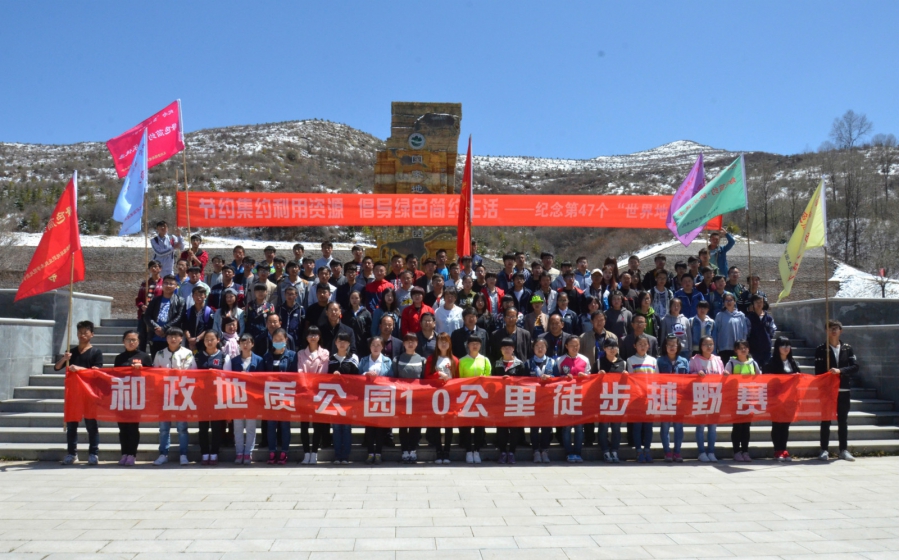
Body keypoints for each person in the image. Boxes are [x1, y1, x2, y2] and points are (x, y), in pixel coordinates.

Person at [57, 321, 104, 465]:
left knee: (91, 424)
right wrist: (64, 358)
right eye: (80, 332)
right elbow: (57, 367)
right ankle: (72, 453)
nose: (82, 335)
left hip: (89, 392)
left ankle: (93, 453)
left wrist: (79, 369)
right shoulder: (71, 351)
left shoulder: (96, 352)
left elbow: (97, 372)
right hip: (73, 392)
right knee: (72, 425)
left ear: (92, 334)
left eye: (85, 332)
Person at [152, 327, 197, 466]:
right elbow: (154, 373)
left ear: (181, 339)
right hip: (164, 395)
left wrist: (179, 373)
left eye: (176, 336)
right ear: (166, 338)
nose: (173, 339)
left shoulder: (187, 353)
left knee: (182, 427)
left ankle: (183, 454)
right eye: (170, 336)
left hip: (182, 394)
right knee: (164, 428)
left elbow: (193, 372)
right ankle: (163, 453)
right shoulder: (160, 354)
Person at [816, 320, 859, 462]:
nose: (833, 331)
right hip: (827, 390)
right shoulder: (821, 349)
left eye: (836, 328)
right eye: (830, 328)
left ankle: (843, 450)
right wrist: (827, 375)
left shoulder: (847, 348)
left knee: (842, 420)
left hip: (843, 389)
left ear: (841, 330)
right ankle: (824, 449)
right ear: (826, 331)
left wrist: (840, 371)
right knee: (826, 420)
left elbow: (855, 367)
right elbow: (818, 372)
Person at [111, 330, 152, 466]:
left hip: (136, 396)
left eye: (134, 340)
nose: (131, 342)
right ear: (123, 341)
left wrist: (142, 369)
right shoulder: (119, 358)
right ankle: (124, 453)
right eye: (128, 339)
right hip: (122, 395)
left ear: (139, 342)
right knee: (122, 427)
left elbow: (152, 376)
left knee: (133, 427)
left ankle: (132, 454)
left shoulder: (144, 357)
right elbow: (114, 376)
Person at [261, 328, 296, 465]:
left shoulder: (292, 356)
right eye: (275, 339)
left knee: (285, 425)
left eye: (281, 340)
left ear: (286, 340)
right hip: (271, 395)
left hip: (286, 395)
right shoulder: (267, 356)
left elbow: (294, 375)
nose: (278, 342)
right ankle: (272, 451)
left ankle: (284, 452)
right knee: (271, 425)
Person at [195, 330, 230, 466]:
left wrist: (215, 374)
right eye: (206, 339)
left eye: (212, 339)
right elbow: (191, 375)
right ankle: (204, 453)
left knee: (216, 426)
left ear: (218, 340)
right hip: (202, 396)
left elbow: (227, 376)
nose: (209, 342)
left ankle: (214, 453)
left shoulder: (224, 357)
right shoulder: (197, 356)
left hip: (218, 396)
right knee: (203, 427)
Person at [765, 336, 802, 462]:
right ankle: (777, 450)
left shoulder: (793, 362)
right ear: (777, 348)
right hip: (776, 399)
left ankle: (784, 449)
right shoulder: (771, 363)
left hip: (790, 399)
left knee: (786, 425)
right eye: (783, 345)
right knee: (777, 424)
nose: (786, 348)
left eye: (788, 345)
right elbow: (768, 380)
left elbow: (799, 379)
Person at [296, 326, 330, 465]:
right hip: (304, 393)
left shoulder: (325, 353)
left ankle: (314, 452)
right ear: (306, 337)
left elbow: (323, 372)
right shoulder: (300, 353)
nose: (313, 337)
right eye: (310, 334)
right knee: (304, 424)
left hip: (318, 393)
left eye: (315, 334)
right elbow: (300, 370)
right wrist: (306, 385)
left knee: (317, 424)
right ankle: (306, 453)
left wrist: (313, 385)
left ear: (319, 336)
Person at [492, 338, 528, 464]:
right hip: (500, 399)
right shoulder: (496, 364)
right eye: (504, 348)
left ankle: (512, 452)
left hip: (515, 399)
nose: (507, 350)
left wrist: (512, 380)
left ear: (513, 349)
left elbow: (525, 381)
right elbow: (491, 381)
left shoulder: (520, 364)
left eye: (509, 347)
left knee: (514, 427)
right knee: (501, 427)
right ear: (501, 350)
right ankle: (502, 451)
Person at [689, 336, 724, 462]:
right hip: (701, 396)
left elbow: (722, 375)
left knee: (712, 426)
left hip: (715, 396)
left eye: (711, 344)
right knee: (700, 425)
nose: (709, 347)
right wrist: (696, 374)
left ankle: (711, 451)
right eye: (705, 344)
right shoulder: (694, 360)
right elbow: (688, 376)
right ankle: (701, 452)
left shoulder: (718, 360)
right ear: (700, 346)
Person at [725, 340, 762, 461]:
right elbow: (725, 379)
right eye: (740, 348)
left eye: (745, 347)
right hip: (736, 399)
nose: (743, 350)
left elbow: (760, 378)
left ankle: (745, 451)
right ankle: (736, 451)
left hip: (749, 399)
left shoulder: (753, 363)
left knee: (746, 426)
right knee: (737, 426)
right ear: (736, 350)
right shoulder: (731, 363)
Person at [360, 337, 395, 464]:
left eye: (378, 345)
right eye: (373, 345)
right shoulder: (364, 360)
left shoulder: (387, 361)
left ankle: (379, 453)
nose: (375, 347)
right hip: (367, 397)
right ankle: (370, 453)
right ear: (369, 347)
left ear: (382, 347)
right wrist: (366, 375)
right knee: (369, 426)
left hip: (382, 396)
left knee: (380, 427)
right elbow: (357, 376)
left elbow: (391, 378)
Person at [229, 333, 263, 465]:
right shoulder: (234, 361)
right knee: (237, 426)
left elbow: (262, 380)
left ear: (252, 344)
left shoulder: (258, 360)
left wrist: (249, 377)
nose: (245, 345)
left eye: (248, 342)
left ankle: (248, 452)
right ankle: (239, 452)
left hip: (252, 398)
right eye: (242, 342)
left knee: (250, 426)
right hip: (237, 397)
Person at [424, 333, 458, 464]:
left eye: (446, 341)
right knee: (436, 425)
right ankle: (438, 451)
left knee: (449, 425)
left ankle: (447, 452)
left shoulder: (455, 360)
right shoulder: (431, 359)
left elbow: (458, 378)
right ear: (436, 344)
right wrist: (438, 374)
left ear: (450, 344)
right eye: (440, 341)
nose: (443, 344)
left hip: (450, 396)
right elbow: (426, 376)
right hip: (435, 396)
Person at [557, 337, 591, 463]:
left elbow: (590, 378)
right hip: (565, 397)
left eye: (577, 345)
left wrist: (585, 376)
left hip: (580, 397)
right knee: (566, 427)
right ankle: (568, 453)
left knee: (579, 427)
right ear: (566, 346)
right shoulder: (560, 360)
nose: (575, 347)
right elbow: (555, 378)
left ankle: (578, 452)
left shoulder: (585, 359)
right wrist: (563, 377)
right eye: (572, 345)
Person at [327, 331, 360, 464]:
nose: (342, 344)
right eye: (339, 341)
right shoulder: (330, 359)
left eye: (345, 341)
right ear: (335, 343)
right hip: (334, 399)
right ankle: (337, 455)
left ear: (349, 344)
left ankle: (345, 456)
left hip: (348, 399)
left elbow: (356, 378)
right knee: (336, 428)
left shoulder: (353, 359)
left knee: (346, 427)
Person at [626, 334, 659, 463]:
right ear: (635, 346)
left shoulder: (653, 360)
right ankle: (638, 451)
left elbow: (657, 378)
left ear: (649, 346)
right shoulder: (630, 360)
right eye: (640, 344)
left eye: (645, 344)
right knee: (637, 426)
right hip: (637, 398)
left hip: (649, 397)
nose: (643, 346)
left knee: (648, 426)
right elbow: (630, 379)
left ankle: (647, 450)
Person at [657, 335, 690, 463]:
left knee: (678, 426)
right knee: (665, 426)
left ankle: (677, 451)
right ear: (665, 347)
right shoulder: (660, 361)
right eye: (669, 345)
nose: (672, 347)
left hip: (679, 398)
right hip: (665, 397)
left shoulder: (684, 361)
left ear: (678, 346)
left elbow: (688, 379)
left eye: (674, 345)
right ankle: (667, 451)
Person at [458, 336, 491, 464]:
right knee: (466, 425)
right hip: (466, 397)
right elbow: (459, 379)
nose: (475, 346)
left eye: (477, 344)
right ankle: (468, 450)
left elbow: (489, 377)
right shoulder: (462, 361)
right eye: (472, 344)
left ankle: (476, 450)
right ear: (468, 345)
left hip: (480, 398)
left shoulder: (485, 360)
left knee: (479, 425)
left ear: (480, 346)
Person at [394, 334, 426, 463]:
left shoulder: (422, 360)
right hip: (402, 398)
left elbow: (424, 379)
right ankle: (404, 450)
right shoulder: (397, 359)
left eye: (413, 341)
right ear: (404, 343)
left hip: (417, 398)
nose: (410, 344)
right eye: (408, 341)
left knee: (415, 425)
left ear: (417, 343)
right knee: (403, 425)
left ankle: (412, 450)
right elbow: (394, 378)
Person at [526, 338, 557, 463]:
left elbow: (559, 378)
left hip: (548, 400)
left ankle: (544, 450)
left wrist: (550, 377)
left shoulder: (552, 362)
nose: (540, 348)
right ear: (533, 348)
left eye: (542, 346)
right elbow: (522, 380)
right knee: (534, 427)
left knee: (546, 427)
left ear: (546, 348)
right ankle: (535, 451)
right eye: (537, 346)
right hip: (533, 400)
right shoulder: (528, 363)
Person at [597, 338, 626, 463]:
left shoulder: (623, 363)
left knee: (616, 427)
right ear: (604, 349)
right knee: (603, 426)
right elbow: (591, 381)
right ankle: (605, 451)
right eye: (609, 347)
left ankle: (614, 450)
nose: (612, 349)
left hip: (617, 400)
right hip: (603, 399)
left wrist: (626, 376)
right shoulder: (599, 362)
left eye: (615, 347)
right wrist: (598, 375)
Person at [143, 275, 185, 356]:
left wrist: (164, 329)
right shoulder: (155, 300)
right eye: (166, 283)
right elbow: (147, 316)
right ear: (162, 285)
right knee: (156, 361)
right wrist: (156, 328)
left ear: (176, 286)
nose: (168, 286)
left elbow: (179, 317)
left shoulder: (180, 300)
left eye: (171, 284)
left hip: (172, 337)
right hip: (155, 337)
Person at [714, 292, 750, 364]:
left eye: (731, 300)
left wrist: (743, 346)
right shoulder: (719, 315)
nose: (729, 302)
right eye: (726, 300)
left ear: (734, 301)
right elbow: (715, 332)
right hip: (724, 348)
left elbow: (745, 332)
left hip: (738, 349)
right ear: (723, 302)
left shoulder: (741, 315)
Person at [136, 260, 163, 352]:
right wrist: (142, 306)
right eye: (151, 267)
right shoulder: (145, 284)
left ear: (160, 268)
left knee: (154, 339)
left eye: (156, 266)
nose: (154, 269)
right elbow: (138, 299)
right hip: (144, 315)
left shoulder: (163, 283)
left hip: (157, 316)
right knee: (142, 338)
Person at [747, 294, 776, 366]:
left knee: (767, 369)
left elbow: (772, 330)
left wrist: (767, 338)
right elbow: (747, 333)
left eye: (761, 302)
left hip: (766, 349)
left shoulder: (768, 318)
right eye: (756, 302)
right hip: (754, 350)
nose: (759, 304)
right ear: (753, 304)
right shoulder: (749, 318)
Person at [182, 285, 214, 352]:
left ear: (205, 296)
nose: (198, 297)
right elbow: (185, 327)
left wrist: (197, 339)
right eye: (196, 295)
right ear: (192, 296)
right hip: (190, 343)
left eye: (201, 295)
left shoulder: (209, 311)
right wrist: (189, 339)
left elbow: (209, 328)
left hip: (203, 343)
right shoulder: (188, 311)